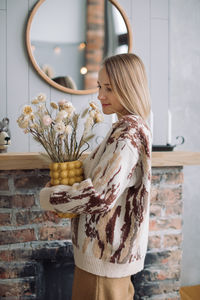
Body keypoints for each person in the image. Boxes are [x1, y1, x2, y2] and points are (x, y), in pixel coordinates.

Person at [39, 53, 152, 300]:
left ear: (129, 87)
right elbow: (104, 177)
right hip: (105, 259)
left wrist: (49, 197)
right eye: (100, 86)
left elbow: (100, 196)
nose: (100, 95)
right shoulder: (125, 128)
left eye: (109, 88)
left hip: (103, 262)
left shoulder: (127, 134)